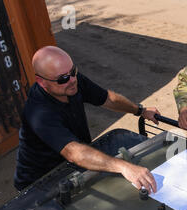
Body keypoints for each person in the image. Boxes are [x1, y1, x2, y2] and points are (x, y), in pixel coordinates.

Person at [14, 46, 159, 193]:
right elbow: (74, 153)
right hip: (39, 184)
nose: (72, 80)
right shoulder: (38, 111)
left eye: (73, 71)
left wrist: (140, 110)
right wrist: (123, 166)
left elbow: (108, 99)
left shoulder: (71, 81)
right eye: (63, 78)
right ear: (41, 82)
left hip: (72, 167)